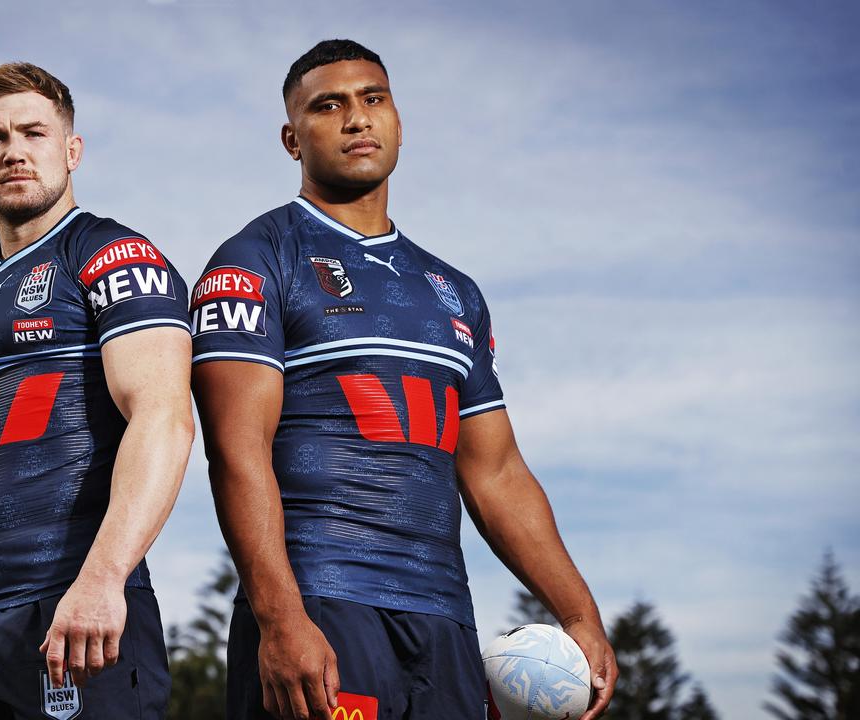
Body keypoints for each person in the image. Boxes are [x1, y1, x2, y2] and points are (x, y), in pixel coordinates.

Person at [190, 40, 618, 720]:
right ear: (291, 139)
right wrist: (280, 618)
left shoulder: (452, 290)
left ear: (396, 119)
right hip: (323, 604)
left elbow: (497, 471)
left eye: (373, 100)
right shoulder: (255, 260)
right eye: (328, 106)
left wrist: (578, 611)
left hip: (443, 617)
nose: (357, 119)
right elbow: (235, 454)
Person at [0, 62, 193, 720]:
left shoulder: (112, 255)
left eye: (34, 133)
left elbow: (163, 420)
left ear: (71, 149)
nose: (14, 150)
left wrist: (105, 577)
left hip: (74, 605)